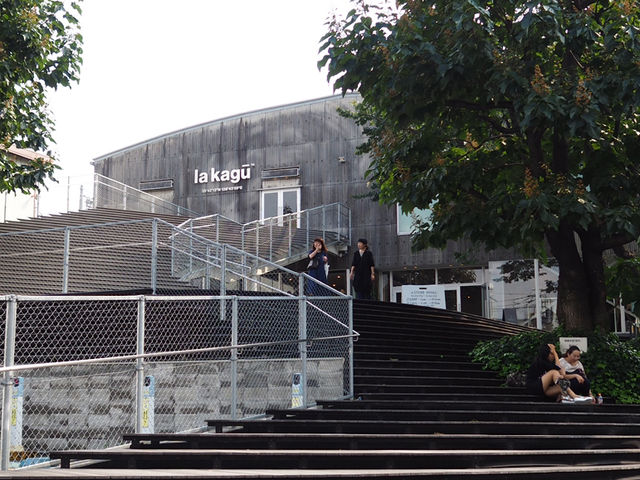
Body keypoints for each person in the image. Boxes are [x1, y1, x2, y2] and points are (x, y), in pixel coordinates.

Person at [525, 343, 592, 404]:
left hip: (544, 390)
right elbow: (558, 368)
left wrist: (560, 376)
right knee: (554, 372)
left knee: (560, 386)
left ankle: (568, 398)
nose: (553, 356)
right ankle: (574, 396)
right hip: (534, 387)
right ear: (546, 353)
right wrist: (555, 353)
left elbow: (561, 373)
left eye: (553, 354)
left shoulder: (550, 363)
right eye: (551, 354)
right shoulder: (541, 361)